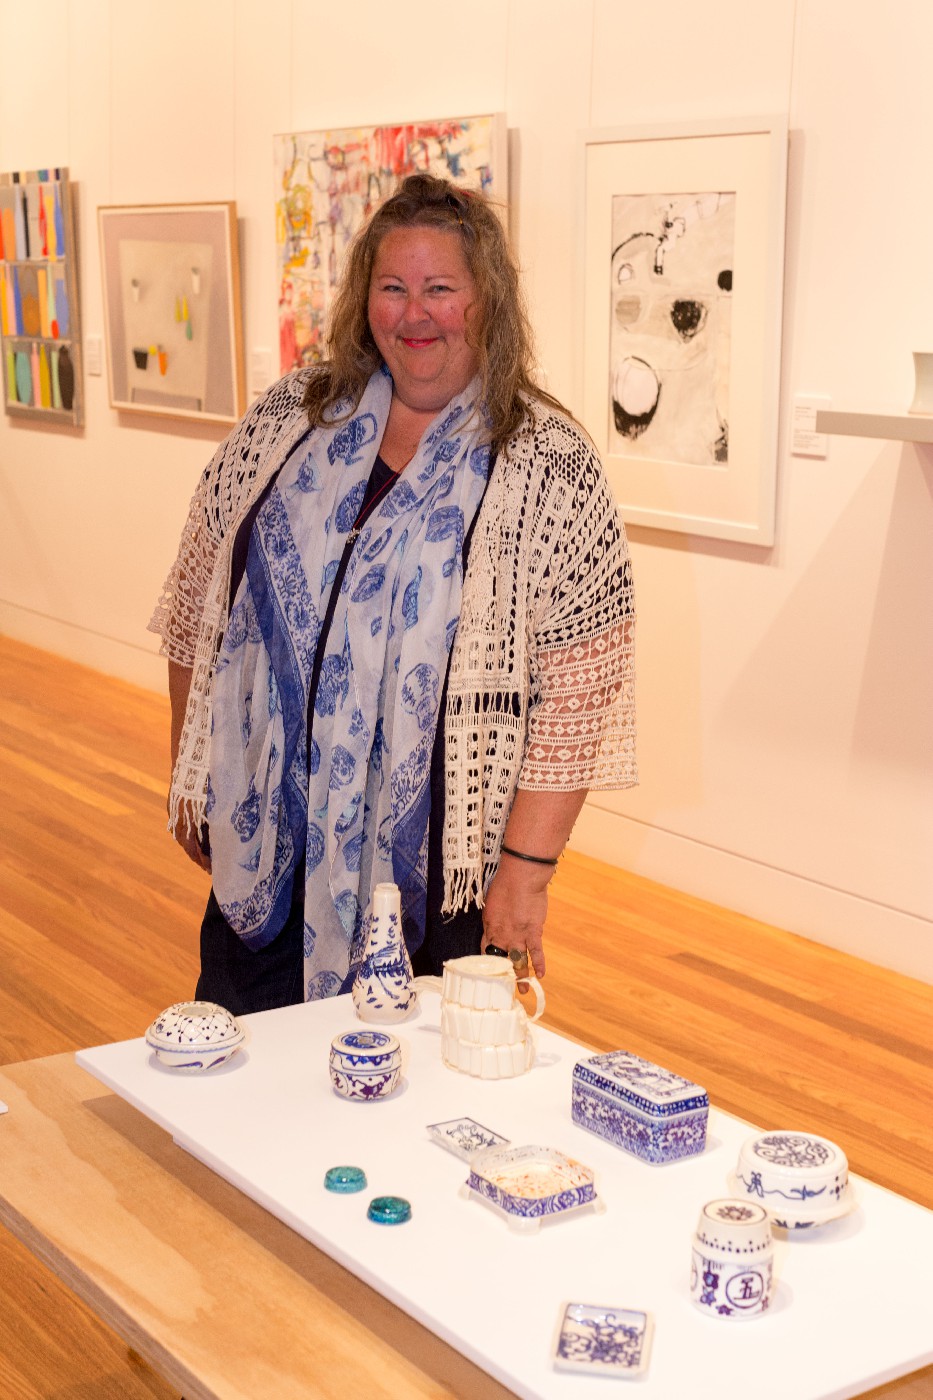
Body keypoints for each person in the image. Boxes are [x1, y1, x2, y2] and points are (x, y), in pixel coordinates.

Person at [151, 173, 636, 1016]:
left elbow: (578, 692)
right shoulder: (289, 419)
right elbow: (200, 597)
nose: (414, 315)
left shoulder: (548, 464)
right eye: (393, 287)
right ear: (362, 297)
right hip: (267, 830)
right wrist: (192, 768)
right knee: (243, 1062)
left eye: (440, 289)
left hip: (434, 864)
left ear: (488, 300)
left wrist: (524, 877)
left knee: (409, 1086)